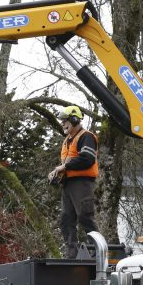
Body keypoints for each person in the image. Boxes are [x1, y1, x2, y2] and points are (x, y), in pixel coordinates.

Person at [48, 105, 99, 259]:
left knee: (85, 216)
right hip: (68, 184)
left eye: (65, 120)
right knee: (66, 219)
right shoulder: (67, 141)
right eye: (62, 121)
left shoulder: (86, 136)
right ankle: (71, 253)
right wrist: (56, 173)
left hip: (82, 183)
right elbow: (68, 164)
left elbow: (87, 159)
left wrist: (64, 166)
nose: (62, 123)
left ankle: (98, 251)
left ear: (75, 119)